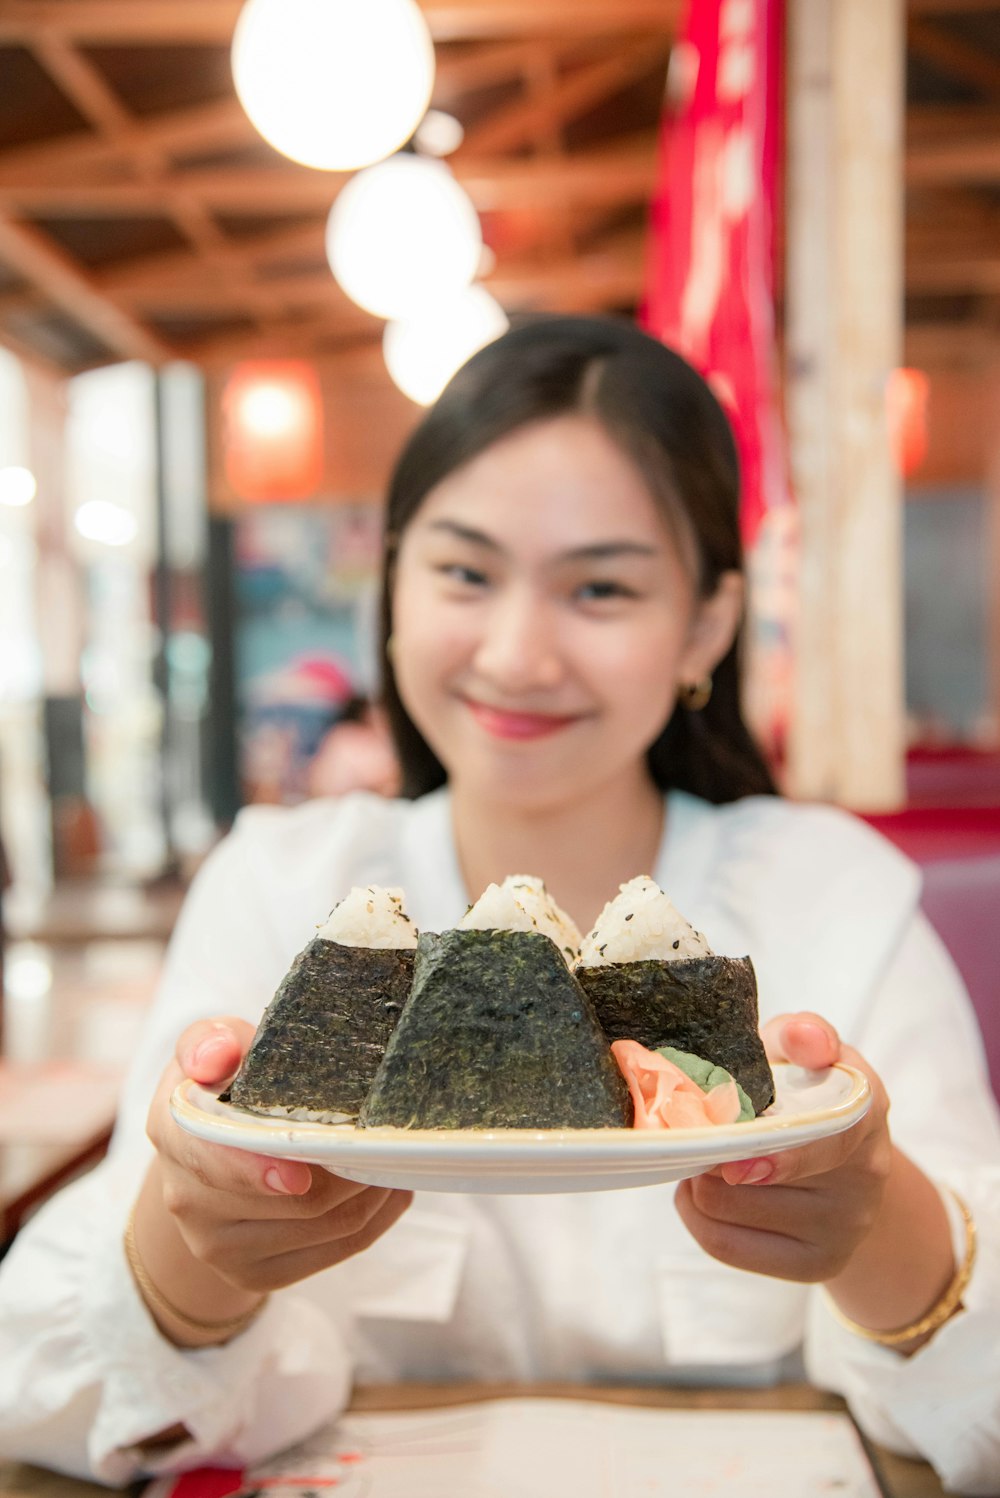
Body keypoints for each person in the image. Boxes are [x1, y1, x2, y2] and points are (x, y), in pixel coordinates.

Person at [1, 317, 998, 1492]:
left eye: (601, 586)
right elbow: (35, 1392)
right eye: (465, 572)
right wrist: (191, 1253)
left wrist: (879, 1230)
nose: (518, 653)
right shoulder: (281, 883)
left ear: (707, 625)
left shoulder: (834, 896)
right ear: (393, 591)